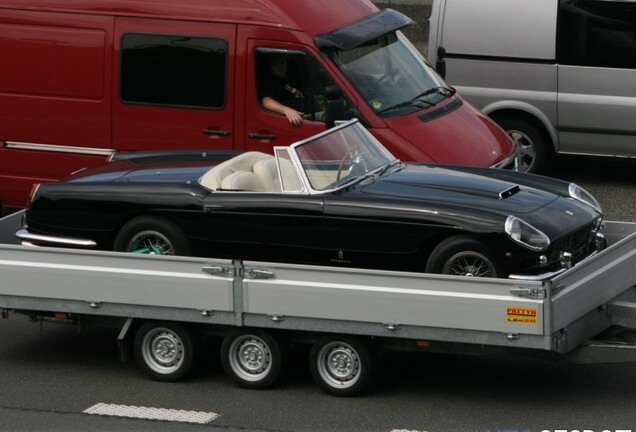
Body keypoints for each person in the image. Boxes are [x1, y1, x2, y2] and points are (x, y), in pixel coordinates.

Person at [261, 55, 307, 127]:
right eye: (275, 64)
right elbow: (266, 101)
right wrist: (287, 110)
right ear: (269, 67)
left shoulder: (292, 77)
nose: (280, 67)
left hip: (306, 115)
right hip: (294, 121)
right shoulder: (270, 81)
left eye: (282, 63)